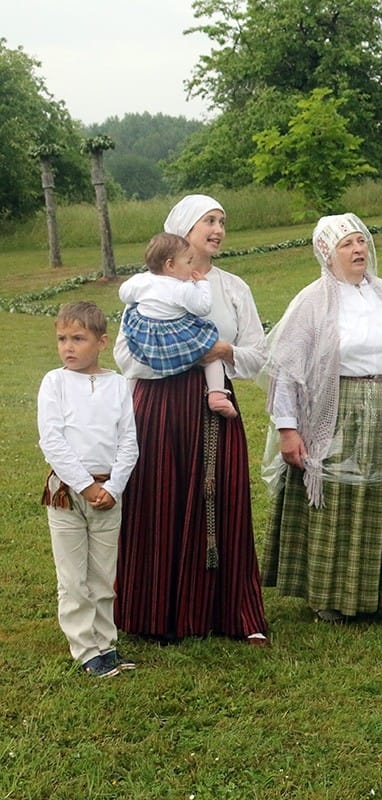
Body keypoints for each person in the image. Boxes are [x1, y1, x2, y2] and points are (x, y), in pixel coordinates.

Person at [114, 194, 270, 645]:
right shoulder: (148, 286)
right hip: (158, 405)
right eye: (209, 221)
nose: (218, 229)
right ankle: (155, 614)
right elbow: (127, 356)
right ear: (183, 229)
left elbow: (256, 353)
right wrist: (190, 354)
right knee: (157, 502)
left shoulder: (232, 287)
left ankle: (230, 612)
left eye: (223, 221)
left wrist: (224, 353)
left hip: (213, 401)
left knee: (220, 501)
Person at [262, 213, 382, 623]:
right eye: (347, 245)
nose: (358, 250)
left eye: (361, 242)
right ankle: (331, 596)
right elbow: (287, 370)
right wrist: (288, 429)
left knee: (381, 500)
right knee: (337, 502)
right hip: (337, 413)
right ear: (327, 253)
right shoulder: (312, 302)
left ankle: (376, 592)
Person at [38, 302, 139, 677]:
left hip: (109, 492)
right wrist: (84, 486)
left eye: (78, 339)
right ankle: (84, 649)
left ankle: (105, 644)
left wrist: (112, 486)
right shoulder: (55, 382)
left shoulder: (118, 384)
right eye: (62, 338)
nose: (68, 346)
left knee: (101, 575)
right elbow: (52, 439)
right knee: (73, 576)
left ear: (101, 341)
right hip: (67, 492)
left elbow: (129, 440)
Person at [118, 232, 237, 418]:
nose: (192, 267)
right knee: (210, 350)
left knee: (137, 364)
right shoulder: (182, 288)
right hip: (174, 336)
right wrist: (203, 285)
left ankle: (127, 402)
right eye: (188, 262)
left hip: (146, 336)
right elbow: (203, 307)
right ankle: (217, 395)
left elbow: (124, 293)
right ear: (170, 265)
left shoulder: (141, 281)